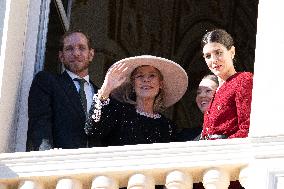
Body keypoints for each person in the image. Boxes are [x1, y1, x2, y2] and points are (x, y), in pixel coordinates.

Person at [84, 55, 188, 146]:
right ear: (133, 85)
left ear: (160, 84)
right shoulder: (118, 113)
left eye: (152, 75)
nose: (146, 80)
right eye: (140, 76)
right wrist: (105, 89)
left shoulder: (168, 126)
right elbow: (92, 130)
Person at [27, 30, 100, 151]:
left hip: (97, 166)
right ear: (61, 56)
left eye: (81, 48)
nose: (76, 53)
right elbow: (40, 123)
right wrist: (46, 157)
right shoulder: (47, 82)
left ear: (91, 54)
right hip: (60, 165)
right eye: (69, 49)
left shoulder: (102, 94)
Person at [200, 28, 253, 140]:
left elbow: (247, 128)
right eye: (208, 56)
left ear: (232, 52)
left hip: (229, 153)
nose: (214, 60)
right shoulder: (217, 90)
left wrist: (221, 148)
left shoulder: (243, 80)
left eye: (218, 53)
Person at [176, 74, 219, 141]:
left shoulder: (232, 129)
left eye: (208, 91)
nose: (201, 95)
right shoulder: (187, 136)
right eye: (198, 92)